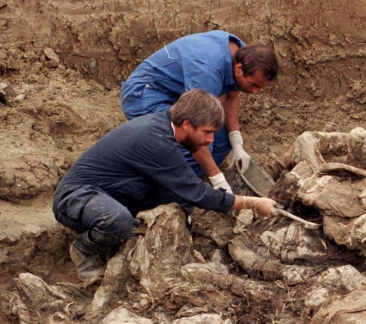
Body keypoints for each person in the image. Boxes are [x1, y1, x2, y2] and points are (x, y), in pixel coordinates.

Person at [53, 89, 278, 284]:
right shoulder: (155, 139)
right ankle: (85, 250)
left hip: (115, 192)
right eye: (207, 132)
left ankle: (172, 248)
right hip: (76, 198)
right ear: (187, 124)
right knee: (118, 220)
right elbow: (198, 192)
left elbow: (187, 191)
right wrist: (253, 203)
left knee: (178, 197)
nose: (210, 140)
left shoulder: (164, 128)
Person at [120, 30, 278, 191]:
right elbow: (197, 130)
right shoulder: (207, 70)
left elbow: (231, 96)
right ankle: (167, 187)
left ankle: (188, 177)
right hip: (145, 94)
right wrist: (217, 179)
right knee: (196, 140)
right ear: (238, 69)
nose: (256, 91)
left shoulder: (241, 53)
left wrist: (237, 143)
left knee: (223, 140)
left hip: (178, 95)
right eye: (253, 85)